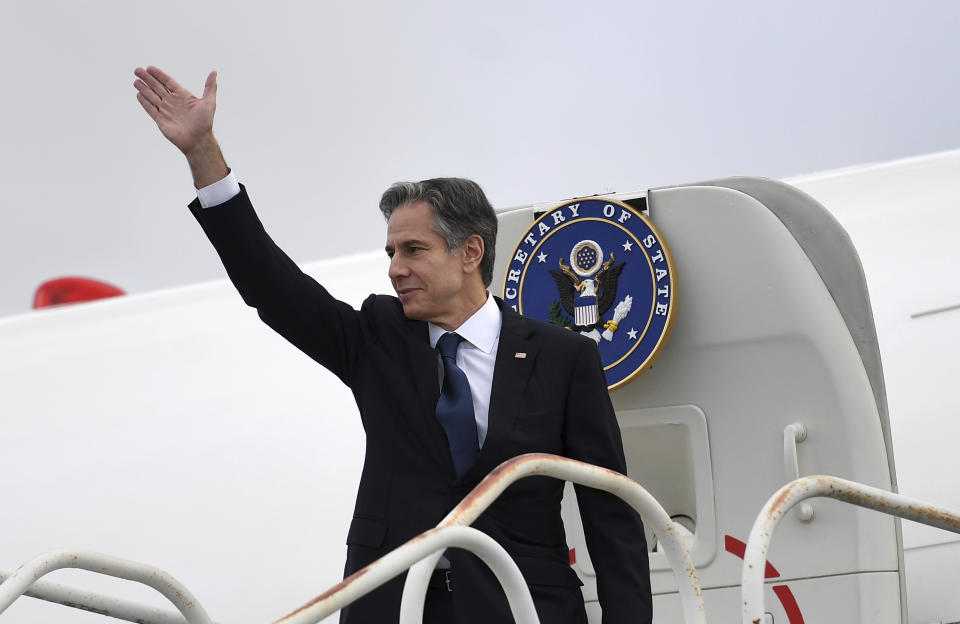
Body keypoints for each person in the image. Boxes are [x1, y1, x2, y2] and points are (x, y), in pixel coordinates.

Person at [133, 66, 652, 624]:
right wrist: (204, 157)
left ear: (470, 252)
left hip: (522, 608)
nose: (395, 269)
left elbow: (610, 513)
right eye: (390, 253)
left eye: (413, 250)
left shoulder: (561, 357)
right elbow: (270, 287)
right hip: (391, 605)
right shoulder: (375, 336)